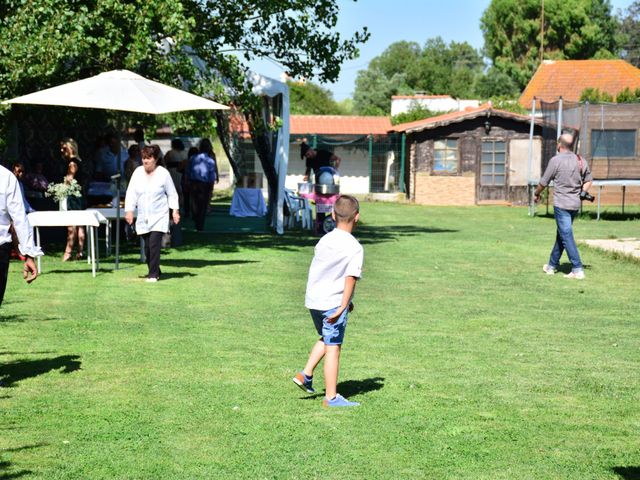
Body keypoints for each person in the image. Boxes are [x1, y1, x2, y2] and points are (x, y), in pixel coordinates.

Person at [292, 195, 364, 407]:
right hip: (333, 303)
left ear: (333, 215)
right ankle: (331, 398)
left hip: (314, 300)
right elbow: (350, 277)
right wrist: (343, 304)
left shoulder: (324, 240)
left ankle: (305, 374)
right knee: (334, 346)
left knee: (325, 336)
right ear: (357, 217)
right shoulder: (354, 247)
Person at [534, 133, 593, 280]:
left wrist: (536, 193)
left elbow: (544, 182)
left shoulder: (555, 161)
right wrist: (583, 192)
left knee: (566, 235)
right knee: (562, 235)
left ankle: (577, 268)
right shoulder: (580, 160)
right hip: (575, 204)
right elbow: (589, 180)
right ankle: (551, 266)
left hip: (561, 204)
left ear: (559, 145)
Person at [124, 145, 180, 282]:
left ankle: (153, 275)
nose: (145, 161)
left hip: (159, 215)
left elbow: (172, 193)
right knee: (147, 248)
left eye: (148, 158)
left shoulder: (163, 173)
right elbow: (131, 192)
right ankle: (156, 269)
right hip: (143, 216)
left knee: (154, 244)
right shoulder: (137, 173)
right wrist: (129, 210)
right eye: (143, 158)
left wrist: (175, 211)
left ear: (155, 159)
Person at [1, 164, 40, 308]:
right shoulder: (6, 177)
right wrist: (29, 255)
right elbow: (19, 218)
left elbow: (19, 218)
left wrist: (29, 253)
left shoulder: (7, 178)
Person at [60, 138, 86, 261]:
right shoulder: (79, 161)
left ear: (71, 148)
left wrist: (61, 187)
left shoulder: (72, 163)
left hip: (74, 197)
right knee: (80, 225)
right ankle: (80, 252)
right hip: (79, 195)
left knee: (72, 225)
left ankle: (68, 252)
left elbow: (69, 179)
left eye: (64, 148)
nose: (61, 150)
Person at [188, 139, 218, 232]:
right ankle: (200, 224)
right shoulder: (210, 160)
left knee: (194, 203)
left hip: (193, 183)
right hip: (204, 184)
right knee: (202, 205)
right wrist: (211, 185)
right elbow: (211, 176)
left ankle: (196, 220)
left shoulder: (193, 158)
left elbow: (188, 171)